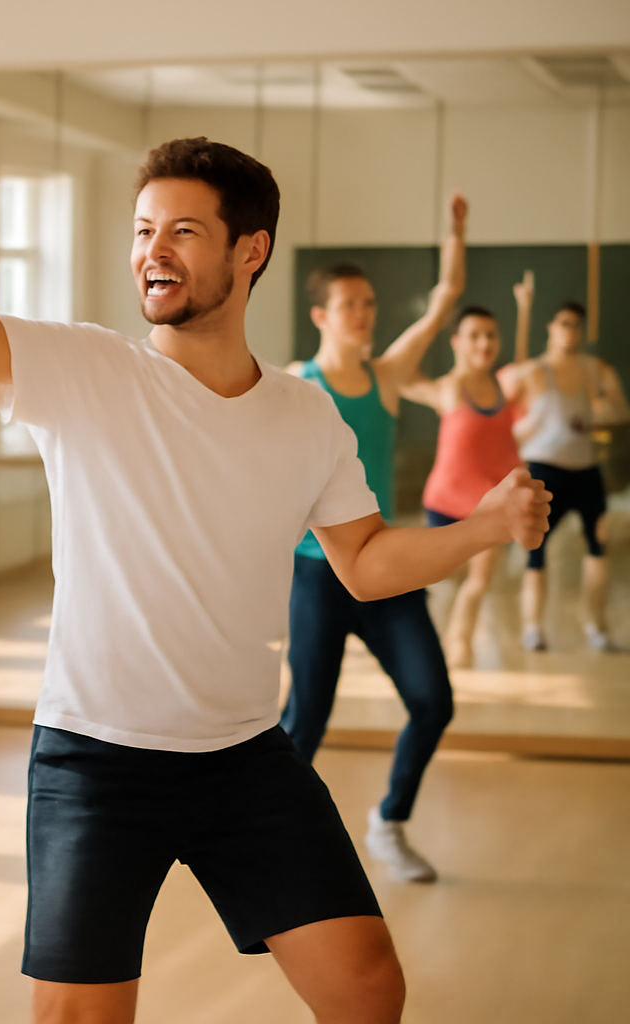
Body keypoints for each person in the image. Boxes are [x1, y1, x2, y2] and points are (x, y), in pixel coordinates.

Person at [0, 117, 546, 1024]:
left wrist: (489, 526)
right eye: (144, 231)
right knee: (78, 1017)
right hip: (95, 761)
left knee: (367, 983)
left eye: (184, 231)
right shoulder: (87, 371)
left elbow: (368, 561)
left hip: (244, 758)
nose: (155, 252)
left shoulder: (306, 418)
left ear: (249, 250)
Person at [280, 197, 466, 884]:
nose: (364, 313)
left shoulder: (388, 376)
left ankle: (388, 821)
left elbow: (444, 301)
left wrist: (455, 234)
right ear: (322, 314)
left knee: (433, 701)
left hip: (387, 570)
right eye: (350, 304)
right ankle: (269, 838)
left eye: (369, 303)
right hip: (317, 575)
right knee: (305, 721)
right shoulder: (297, 384)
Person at [403, 290, 530, 668]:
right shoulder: (449, 389)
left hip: (489, 505)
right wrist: (429, 323)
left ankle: (460, 642)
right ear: (457, 342)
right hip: (444, 502)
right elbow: (402, 377)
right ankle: (422, 642)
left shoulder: (506, 388)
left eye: (491, 336)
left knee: (480, 579)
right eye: (474, 335)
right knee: (435, 580)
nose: (485, 343)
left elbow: (522, 364)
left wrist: (524, 310)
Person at [507, 283, 629, 652]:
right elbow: (503, 412)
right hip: (545, 468)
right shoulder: (534, 371)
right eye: (563, 323)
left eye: (576, 324)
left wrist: (597, 419)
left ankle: (597, 627)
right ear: (551, 327)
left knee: (598, 546)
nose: (569, 330)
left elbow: (621, 410)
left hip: (586, 469)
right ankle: (533, 628)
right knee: (535, 549)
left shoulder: (596, 370)